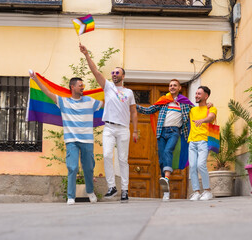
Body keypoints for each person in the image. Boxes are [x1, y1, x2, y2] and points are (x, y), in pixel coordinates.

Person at [29, 71, 102, 205]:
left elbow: (106, 103)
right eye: (80, 85)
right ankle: (71, 196)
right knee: (72, 167)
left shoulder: (90, 101)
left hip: (87, 140)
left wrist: (116, 91)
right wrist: (36, 79)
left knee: (89, 169)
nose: (83, 87)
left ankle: (90, 192)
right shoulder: (63, 102)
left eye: (83, 85)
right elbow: (47, 92)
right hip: (71, 140)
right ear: (72, 87)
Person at [79, 44, 138, 203]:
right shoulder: (107, 87)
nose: (114, 74)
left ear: (123, 76)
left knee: (123, 159)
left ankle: (125, 189)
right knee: (106, 155)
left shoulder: (129, 93)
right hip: (109, 128)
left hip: (124, 129)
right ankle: (112, 186)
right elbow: (95, 71)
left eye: (117, 72)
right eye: (112, 72)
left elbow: (133, 112)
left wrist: (135, 131)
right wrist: (86, 54)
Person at [136, 79, 194, 201]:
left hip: (174, 132)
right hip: (161, 133)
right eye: (170, 85)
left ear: (179, 88)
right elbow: (148, 110)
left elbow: (197, 112)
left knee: (168, 151)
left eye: (175, 85)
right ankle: (166, 191)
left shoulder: (185, 104)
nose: (172, 87)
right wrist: (133, 105)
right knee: (162, 160)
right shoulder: (163, 101)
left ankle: (166, 178)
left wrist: (208, 106)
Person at [188, 86, 217, 201]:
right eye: (196, 93)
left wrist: (202, 120)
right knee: (192, 166)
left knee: (201, 165)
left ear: (206, 96)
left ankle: (207, 191)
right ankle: (196, 192)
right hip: (192, 141)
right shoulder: (192, 110)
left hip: (204, 141)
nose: (196, 95)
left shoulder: (212, 109)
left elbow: (211, 118)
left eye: (199, 94)